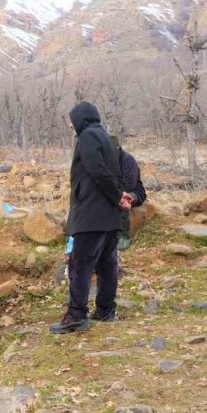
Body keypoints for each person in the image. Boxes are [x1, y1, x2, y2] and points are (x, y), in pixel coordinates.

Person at [50, 102, 131, 334]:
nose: (70, 125)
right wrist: (119, 197)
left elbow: (97, 171)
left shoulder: (87, 137)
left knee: (80, 265)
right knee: (107, 264)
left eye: (72, 120)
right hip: (108, 216)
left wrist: (117, 196)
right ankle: (105, 310)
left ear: (81, 119)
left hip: (91, 215)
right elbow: (110, 173)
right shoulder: (105, 137)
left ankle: (76, 315)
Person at [110, 135, 147, 251]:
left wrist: (114, 194)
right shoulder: (106, 160)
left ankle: (124, 237)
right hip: (115, 192)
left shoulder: (128, 160)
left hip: (134, 193)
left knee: (123, 201)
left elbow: (129, 185)